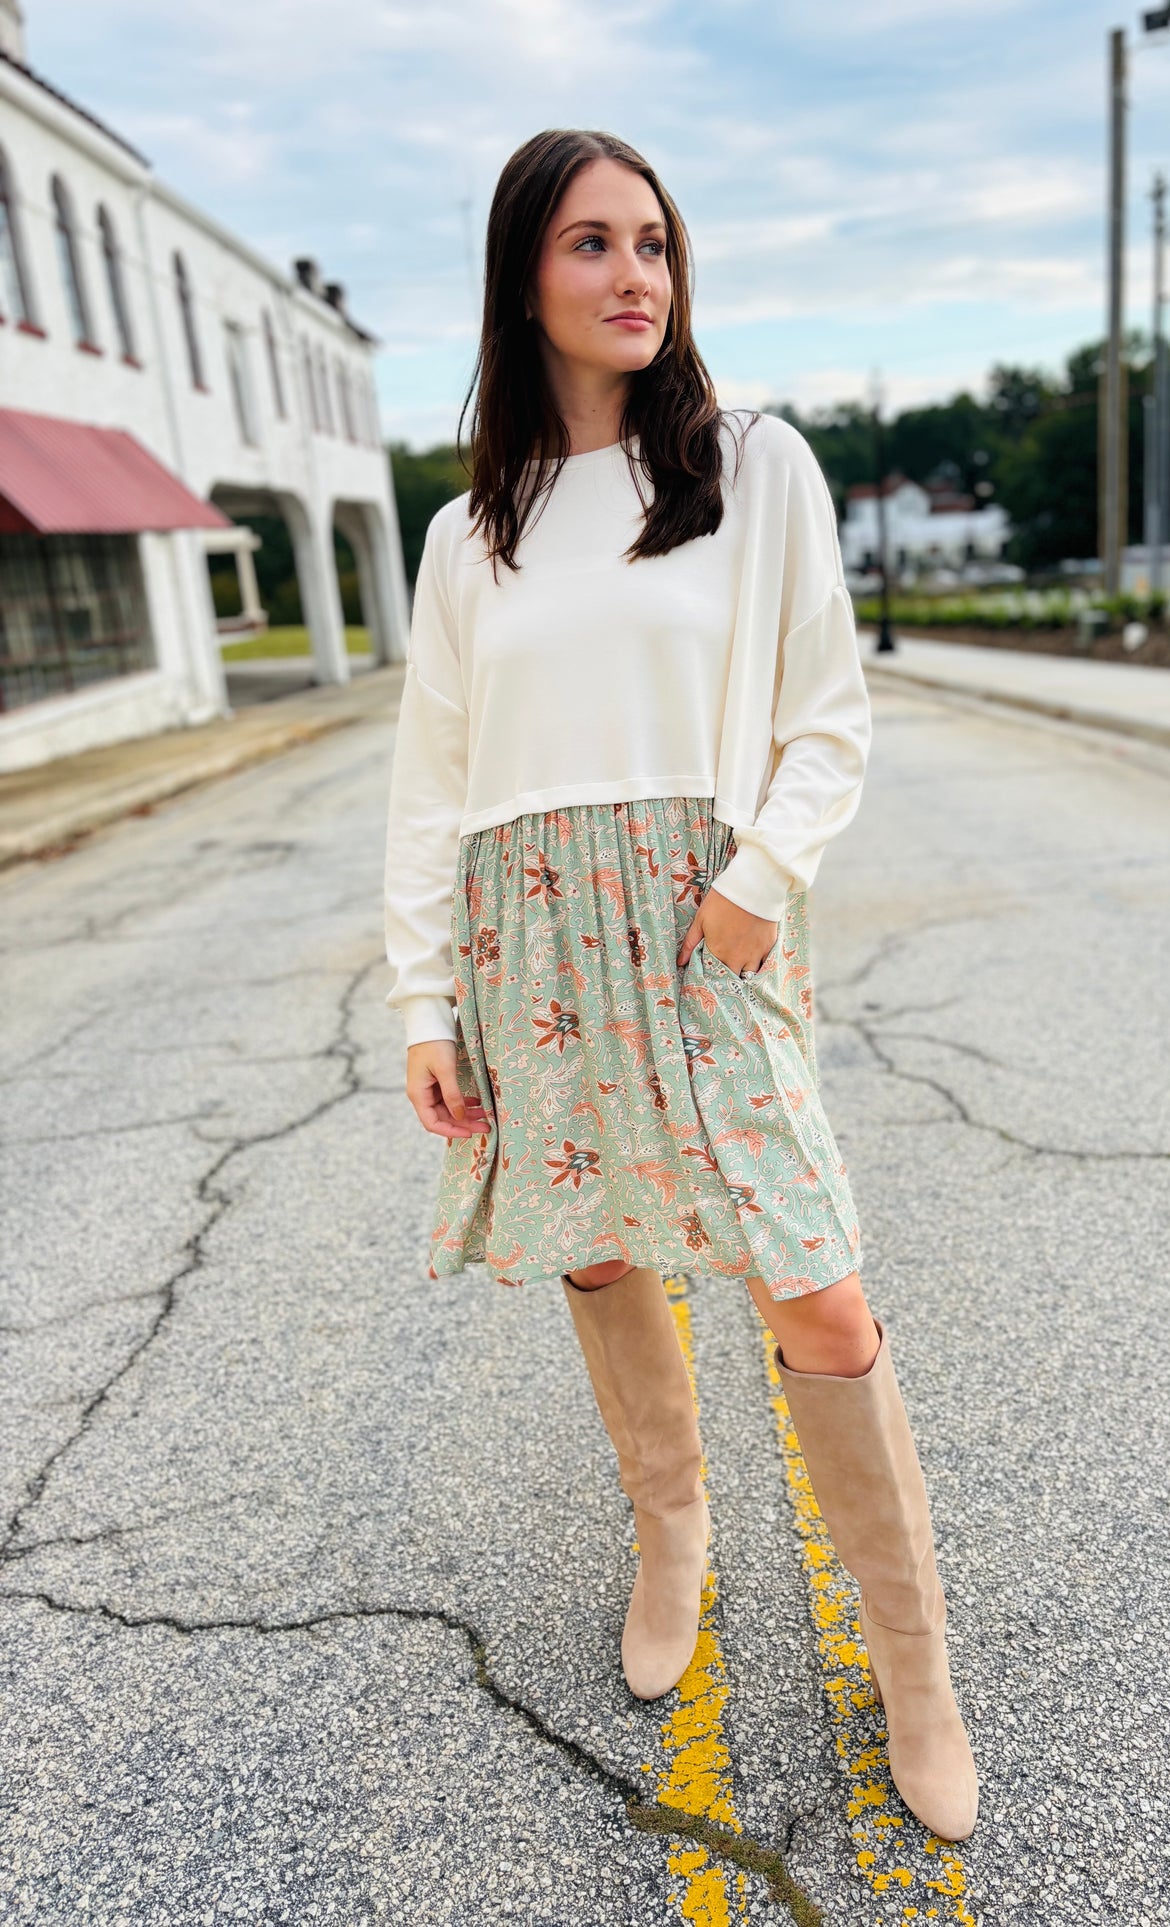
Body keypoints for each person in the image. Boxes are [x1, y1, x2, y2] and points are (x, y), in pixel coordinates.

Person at [381, 127, 978, 1844]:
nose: (634, 274)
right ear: (523, 279)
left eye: (653, 241)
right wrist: (427, 1000)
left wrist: (751, 892)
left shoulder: (749, 466)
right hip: (530, 937)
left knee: (820, 1301)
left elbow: (827, 716)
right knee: (598, 1247)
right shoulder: (463, 534)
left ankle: (911, 1666)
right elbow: (432, 782)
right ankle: (672, 1536)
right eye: (591, 244)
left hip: (702, 928)